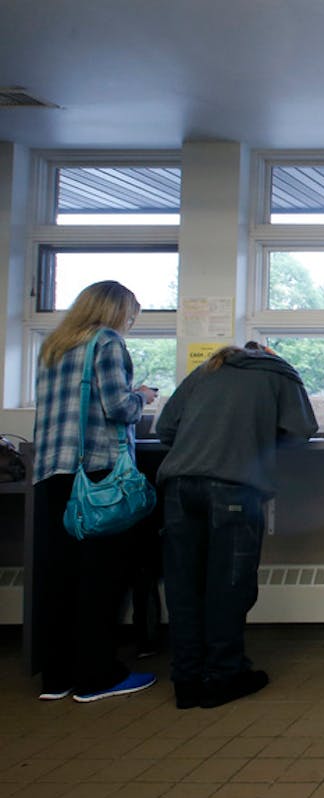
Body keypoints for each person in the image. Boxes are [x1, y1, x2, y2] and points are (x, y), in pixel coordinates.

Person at [155, 343, 317, 708]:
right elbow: (301, 429)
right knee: (229, 585)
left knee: (184, 587)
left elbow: (165, 428)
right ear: (270, 353)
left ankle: (186, 679)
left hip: (179, 486)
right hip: (233, 485)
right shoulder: (279, 374)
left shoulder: (207, 370)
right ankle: (224, 675)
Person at [31, 280, 159, 702]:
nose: (130, 324)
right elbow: (117, 408)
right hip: (99, 473)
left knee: (58, 576)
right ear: (116, 311)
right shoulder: (107, 342)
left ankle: (57, 676)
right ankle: (97, 676)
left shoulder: (54, 346)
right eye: (131, 316)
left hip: (53, 472)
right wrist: (142, 396)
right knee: (102, 577)